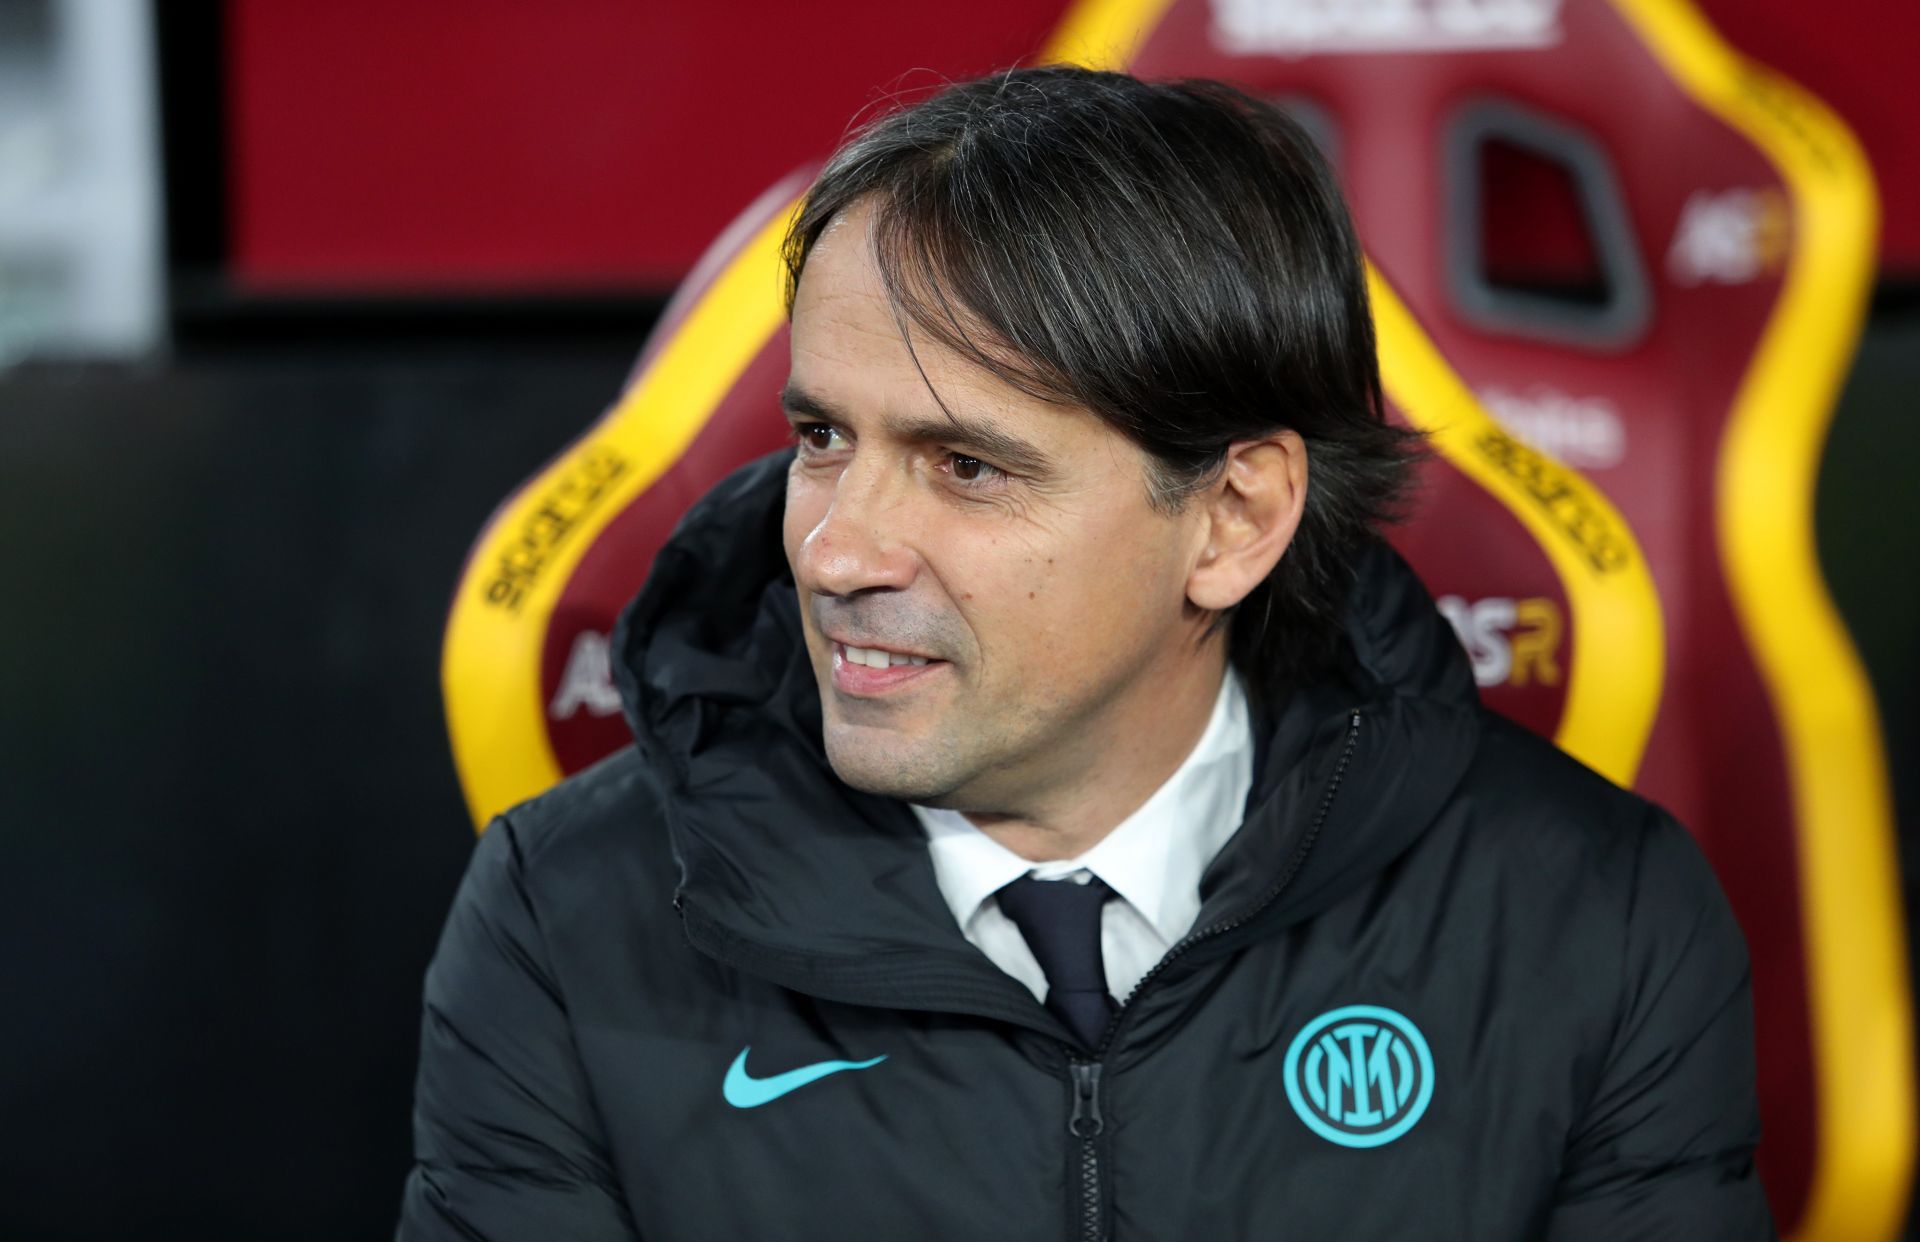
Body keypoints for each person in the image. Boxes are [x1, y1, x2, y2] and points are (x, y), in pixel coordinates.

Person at [398, 68, 1773, 1239]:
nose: (832, 550)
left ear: (1233, 522)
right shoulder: (562, 919)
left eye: (967, 465)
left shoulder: (1600, 918)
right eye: (823, 438)